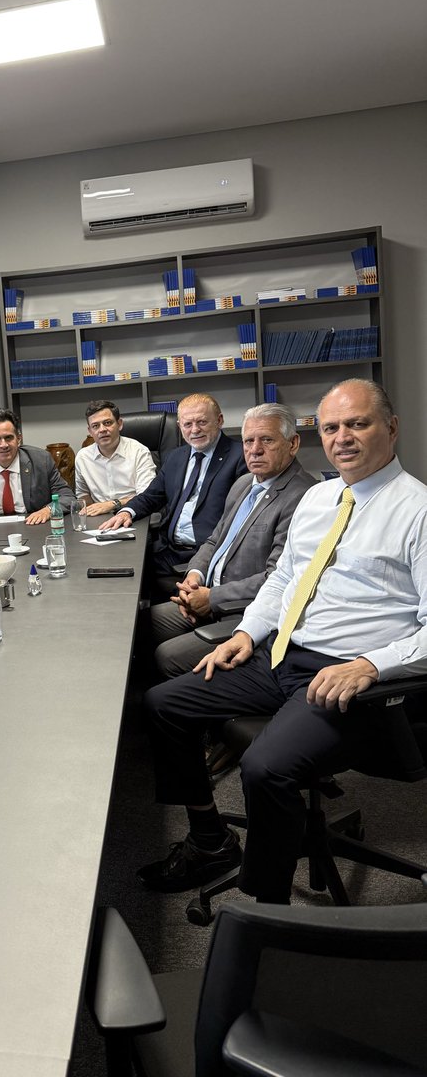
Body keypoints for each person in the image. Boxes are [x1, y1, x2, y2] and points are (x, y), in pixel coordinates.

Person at [137, 379, 427, 905]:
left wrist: (370, 664)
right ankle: (210, 842)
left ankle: (264, 911)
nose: (342, 437)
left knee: (264, 767)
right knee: (162, 704)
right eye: (332, 426)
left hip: (343, 677)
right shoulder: (318, 497)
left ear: (391, 428)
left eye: (357, 423)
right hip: (282, 654)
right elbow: (284, 580)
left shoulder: (418, 510)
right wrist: (248, 632)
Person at [151, 403, 315, 679]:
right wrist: (194, 577)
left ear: (293, 443)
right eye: (249, 441)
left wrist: (211, 598)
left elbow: (279, 578)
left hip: (243, 611)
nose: (255, 449)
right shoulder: (244, 484)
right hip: (207, 595)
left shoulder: (302, 496)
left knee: (166, 656)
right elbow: (215, 540)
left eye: (267, 440)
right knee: (138, 624)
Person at [99, 393, 247, 580]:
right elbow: (151, 496)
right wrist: (127, 512)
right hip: (169, 550)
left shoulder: (240, 456)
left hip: (209, 552)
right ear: (179, 427)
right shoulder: (176, 457)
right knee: (118, 571)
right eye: (187, 424)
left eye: (202, 422)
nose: (194, 430)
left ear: (219, 420)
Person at [74, 400, 156, 516]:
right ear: (90, 431)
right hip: (100, 517)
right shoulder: (83, 457)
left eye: (107, 423)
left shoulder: (139, 451)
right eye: (95, 426)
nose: (102, 429)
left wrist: (112, 504)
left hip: (136, 513)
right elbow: (83, 495)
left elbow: (147, 495)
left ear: (120, 424)